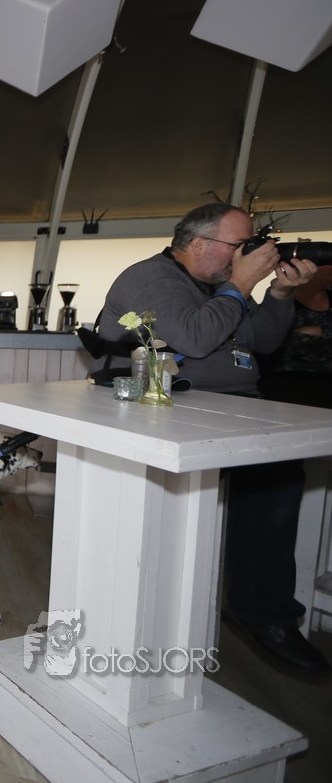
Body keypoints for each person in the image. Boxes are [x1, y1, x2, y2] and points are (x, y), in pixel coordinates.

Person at [97, 202, 327, 675]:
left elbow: (261, 341)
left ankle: (258, 608)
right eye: (240, 245)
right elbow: (196, 340)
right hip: (171, 408)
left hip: (235, 405)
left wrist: (280, 292)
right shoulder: (152, 278)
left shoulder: (219, 286)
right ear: (200, 243)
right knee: (271, 473)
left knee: (279, 469)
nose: (248, 253)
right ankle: (252, 611)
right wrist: (239, 285)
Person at [258, 261, 332, 408]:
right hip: (286, 381)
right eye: (327, 262)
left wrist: (316, 332)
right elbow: (263, 338)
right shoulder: (280, 299)